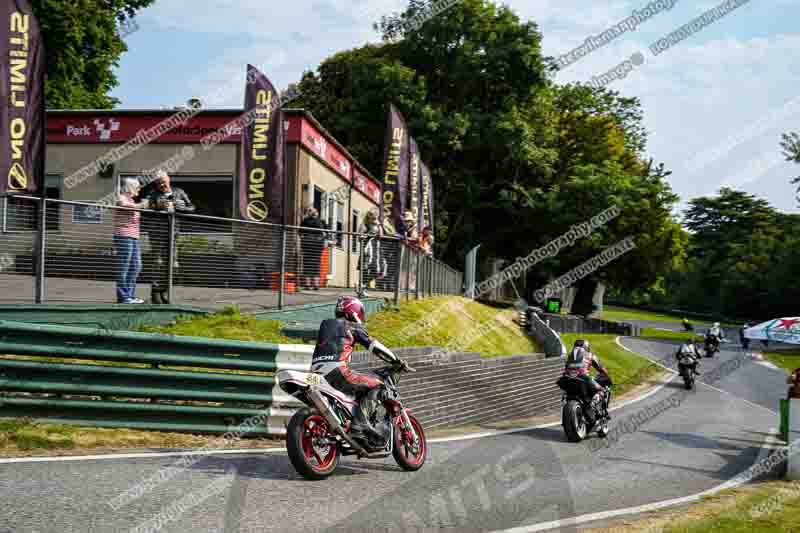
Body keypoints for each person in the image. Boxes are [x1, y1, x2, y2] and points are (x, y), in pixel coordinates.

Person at [310, 296, 411, 441]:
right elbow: (374, 346)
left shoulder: (325, 325)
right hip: (338, 371)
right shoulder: (352, 326)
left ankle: (347, 421)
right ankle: (360, 425)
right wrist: (396, 360)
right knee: (380, 386)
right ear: (354, 312)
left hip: (316, 371)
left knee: (358, 387)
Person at [142, 170, 195, 304]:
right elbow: (144, 208)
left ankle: (164, 290)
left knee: (173, 264)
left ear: (168, 179)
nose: (161, 184)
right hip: (157, 233)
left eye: (163, 181)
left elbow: (192, 207)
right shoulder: (152, 194)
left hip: (174, 233)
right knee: (157, 262)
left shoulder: (179, 192)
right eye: (158, 182)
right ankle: (155, 292)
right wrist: (156, 206)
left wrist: (182, 207)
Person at [113, 178, 148, 304]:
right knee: (124, 266)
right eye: (137, 187)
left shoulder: (132, 200)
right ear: (130, 187)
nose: (139, 189)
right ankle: (124, 297)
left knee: (136, 266)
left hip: (134, 236)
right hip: (123, 235)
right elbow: (122, 205)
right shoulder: (121, 197)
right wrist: (140, 206)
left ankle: (130, 295)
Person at [561, 339, 612, 416]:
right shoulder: (590, 355)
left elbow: (566, 368)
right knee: (601, 390)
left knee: (566, 395)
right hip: (584, 379)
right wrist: (606, 376)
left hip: (567, 379)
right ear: (586, 347)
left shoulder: (570, 355)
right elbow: (601, 368)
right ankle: (599, 412)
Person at [300, 207, 327, 290]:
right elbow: (325, 232)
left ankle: (307, 284)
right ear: (316, 213)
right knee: (316, 264)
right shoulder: (320, 221)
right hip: (317, 244)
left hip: (307, 244)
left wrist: (303, 239)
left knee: (307, 264)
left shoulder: (305, 221)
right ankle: (316, 284)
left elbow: (300, 232)